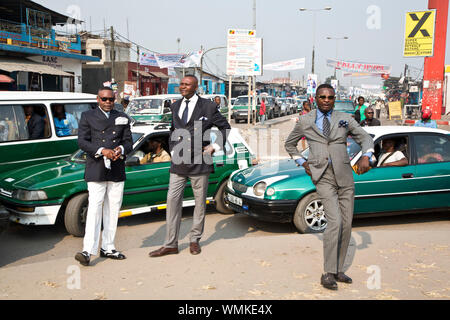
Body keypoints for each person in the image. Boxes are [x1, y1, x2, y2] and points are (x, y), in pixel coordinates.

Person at [285, 84, 374, 291]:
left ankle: (338, 269)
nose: (326, 100)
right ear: (315, 98)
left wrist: (367, 156)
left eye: (330, 97)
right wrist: (303, 162)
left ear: (334, 99)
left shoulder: (344, 117)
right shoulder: (305, 120)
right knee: (334, 222)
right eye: (322, 97)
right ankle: (327, 273)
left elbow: (365, 138)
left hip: (345, 176)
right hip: (322, 176)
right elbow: (290, 145)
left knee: (346, 224)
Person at [149, 75, 231, 258]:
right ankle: (170, 244)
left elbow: (225, 127)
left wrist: (214, 147)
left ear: (195, 87)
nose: (182, 87)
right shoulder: (175, 105)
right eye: (181, 84)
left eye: (186, 85)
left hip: (200, 162)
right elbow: (173, 129)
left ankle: (194, 240)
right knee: (172, 201)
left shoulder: (208, 106)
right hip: (178, 162)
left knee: (199, 203)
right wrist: (172, 149)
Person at [75, 86, 133, 266]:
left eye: (111, 99)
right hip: (97, 167)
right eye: (104, 99)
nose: (108, 102)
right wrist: (102, 150)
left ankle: (108, 246)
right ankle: (87, 250)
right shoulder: (87, 116)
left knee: (113, 209)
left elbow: (128, 141)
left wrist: (120, 149)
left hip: (116, 167)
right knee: (95, 208)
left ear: (115, 99)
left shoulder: (121, 116)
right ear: (97, 99)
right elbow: (82, 141)